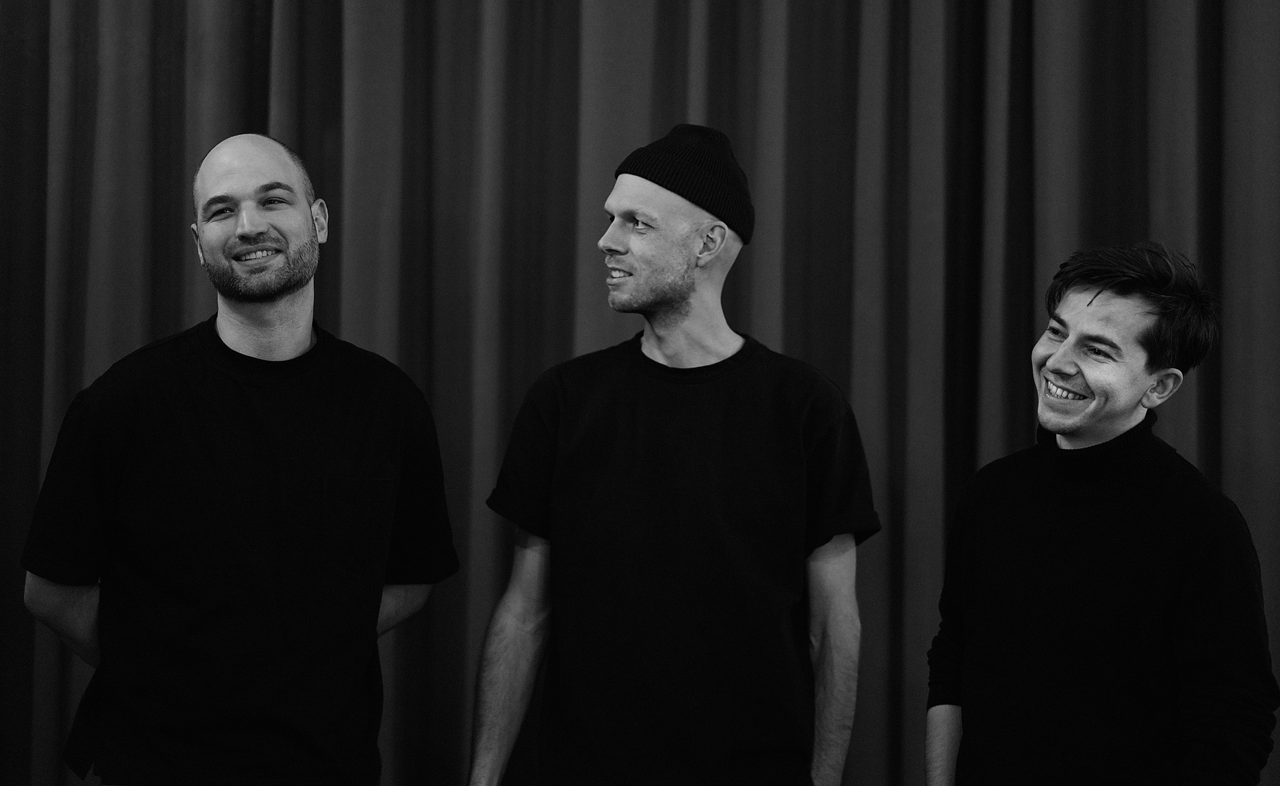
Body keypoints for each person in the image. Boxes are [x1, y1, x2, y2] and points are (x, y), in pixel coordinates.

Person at [22, 134, 458, 785]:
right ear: (199, 242)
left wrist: (296, 653)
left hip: (329, 766)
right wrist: (167, 671)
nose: (249, 225)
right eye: (222, 210)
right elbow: (50, 591)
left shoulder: (389, 404)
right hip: (156, 767)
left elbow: (412, 578)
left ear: (318, 220)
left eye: (273, 200)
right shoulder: (123, 404)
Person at [467, 124, 881, 786]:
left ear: (707, 243)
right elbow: (524, 612)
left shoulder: (804, 408)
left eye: (637, 222)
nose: (607, 240)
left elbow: (834, 626)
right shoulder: (565, 401)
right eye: (611, 218)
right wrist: (483, 779)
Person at [925, 241, 1280, 785]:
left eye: (1097, 350)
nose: (1057, 362)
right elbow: (953, 662)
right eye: (1056, 331)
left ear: (1159, 387)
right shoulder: (992, 493)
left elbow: (1233, 722)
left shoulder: (1203, 525)